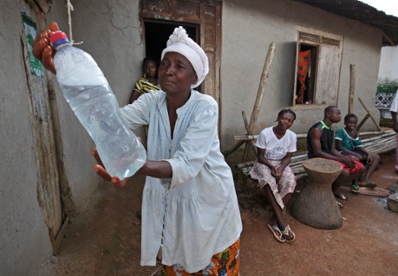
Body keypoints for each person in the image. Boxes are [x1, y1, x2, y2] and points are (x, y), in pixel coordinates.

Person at [33, 22, 242, 275]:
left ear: (195, 78)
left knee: (210, 257)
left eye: (179, 66)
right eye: (165, 63)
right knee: (177, 254)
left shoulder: (206, 107)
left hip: (209, 198)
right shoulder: (152, 101)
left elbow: (187, 165)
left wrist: (130, 162)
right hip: (174, 202)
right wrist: (67, 75)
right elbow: (111, 122)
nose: (168, 71)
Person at [249, 109, 297, 243]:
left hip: (280, 164)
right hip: (264, 164)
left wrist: (281, 168)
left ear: (292, 123)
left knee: (290, 182)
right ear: (278, 118)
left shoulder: (292, 136)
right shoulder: (266, 133)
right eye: (283, 118)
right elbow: (260, 156)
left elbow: (288, 157)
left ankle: (275, 220)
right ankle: (281, 223)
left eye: (289, 120)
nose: (285, 122)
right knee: (269, 182)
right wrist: (272, 167)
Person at [307, 106, 366, 204]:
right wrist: (342, 160)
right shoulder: (317, 130)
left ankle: (332, 191)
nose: (340, 116)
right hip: (317, 159)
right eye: (337, 113)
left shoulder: (331, 129)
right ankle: (330, 194)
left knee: (361, 168)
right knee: (345, 173)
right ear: (328, 114)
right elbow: (318, 152)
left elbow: (333, 149)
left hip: (329, 157)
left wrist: (345, 158)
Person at [335, 114, 380, 187]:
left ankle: (365, 180)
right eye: (350, 123)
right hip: (342, 153)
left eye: (354, 123)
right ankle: (354, 182)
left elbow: (359, 145)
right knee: (356, 158)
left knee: (375, 157)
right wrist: (354, 153)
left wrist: (368, 153)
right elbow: (339, 147)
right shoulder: (341, 131)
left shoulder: (354, 132)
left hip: (353, 151)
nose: (352, 125)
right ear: (345, 123)